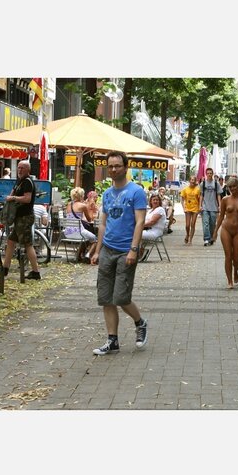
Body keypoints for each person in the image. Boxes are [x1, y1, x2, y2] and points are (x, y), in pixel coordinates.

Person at [90, 151, 148, 355]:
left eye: (117, 166)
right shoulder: (107, 194)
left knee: (121, 297)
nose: (113, 169)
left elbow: (140, 222)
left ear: (125, 167)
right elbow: (103, 224)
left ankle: (140, 322)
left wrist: (134, 249)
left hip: (126, 250)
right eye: (110, 166)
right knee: (106, 297)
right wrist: (97, 251)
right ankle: (112, 340)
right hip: (108, 249)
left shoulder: (136, 192)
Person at [0, 160, 41, 280]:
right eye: (18, 167)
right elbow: (12, 193)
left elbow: (27, 199)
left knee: (27, 244)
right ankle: (5, 268)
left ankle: (36, 272)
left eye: (22, 168)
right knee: (10, 241)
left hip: (25, 217)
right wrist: (9, 199)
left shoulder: (28, 182)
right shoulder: (19, 181)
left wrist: (13, 198)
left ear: (28, 170)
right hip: (19, 217)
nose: (20, 170)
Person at [212, 175, 238, 288]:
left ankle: (236, 271)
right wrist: (215, 231)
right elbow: (221, 216)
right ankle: (229, 281)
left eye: (234, 186)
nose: (232, 189)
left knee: (236, 258)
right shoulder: (225, 200)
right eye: (230, 187)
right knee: (228, 256)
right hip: (226, 230)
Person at [66, 186, 97, 261]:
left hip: (67, 232)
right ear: (81, 196)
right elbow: (89, 219)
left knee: (86, 237)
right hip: (79, 232)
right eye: (83, 195)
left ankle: (79, 255)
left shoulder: (69, 205)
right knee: (95, 239)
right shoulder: (83, 206)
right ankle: (87, 255)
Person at [200, 167, 222, 246]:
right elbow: (201, 195)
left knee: (212, 223)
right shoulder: (203, 184)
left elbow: (218, 195)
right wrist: (200, 205)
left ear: (212, 174)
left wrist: (219, 206)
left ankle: (212, 237)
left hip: (213, 206)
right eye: (208, 173)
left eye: (210, 173)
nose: (209, 175)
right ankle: (206, 239)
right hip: (205, 206)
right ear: (206, 174)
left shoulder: (216, 183)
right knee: (205, 223)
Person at [180, 174, 201, 244]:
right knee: (187, 225)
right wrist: (183, 207)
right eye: (191, 180)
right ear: (189, 181)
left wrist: (199, 207)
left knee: (193, 224)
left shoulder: (197, 190)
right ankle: (187, 234)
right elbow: (182, 199)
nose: (193, 181)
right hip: (188, 208)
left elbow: (200, 199)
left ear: (195, 181)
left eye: (194, 180)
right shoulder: (185, 189)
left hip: (195, 208)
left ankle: (190, 239)